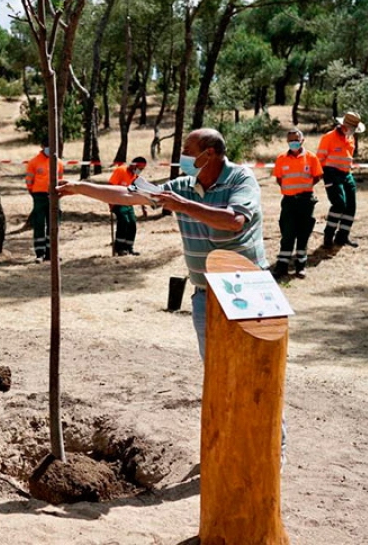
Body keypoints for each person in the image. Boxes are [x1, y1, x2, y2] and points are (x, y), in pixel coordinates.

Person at [58, 128, 285, 463]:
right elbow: (127, 195)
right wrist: (80, 188)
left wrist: (184, 206)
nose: (182, 155)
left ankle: (269, 445)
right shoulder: (181, 186)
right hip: (205, 295)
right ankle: (230, 444)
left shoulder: (240, 179)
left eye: (187, 149)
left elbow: (234, 221)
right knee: (218, 375)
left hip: (247, 291)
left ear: (209, 152)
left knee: (255, 371)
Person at [272, 128, 323, 279]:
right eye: (291, 140)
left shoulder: (311, 157)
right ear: (287, 142)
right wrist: (290, 191)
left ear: (302, 140)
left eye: (296, 140)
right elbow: (279, 178)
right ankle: (282, 267)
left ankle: (301, 266)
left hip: (306, 202)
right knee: (287, 234)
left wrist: (305, 188)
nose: (293, 143)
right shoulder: (281, 158)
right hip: (288, 202)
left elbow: (317, 176)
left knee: (303, 234)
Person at [317, 111, 364, 248]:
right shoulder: (328, 137)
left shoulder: (351, 138)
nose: (354, 131)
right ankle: (328, 236)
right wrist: (321, 176)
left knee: (351, 206)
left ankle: (342, 237)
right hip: (331, 173)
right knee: (339, 204)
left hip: (346, 174)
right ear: (344, 125)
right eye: (353, 128)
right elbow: (320, 158)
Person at [24, 142, 64, 263]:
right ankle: (40, 253)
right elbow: (29, 181)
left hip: (54, 196)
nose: (49, 148)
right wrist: (35, 193)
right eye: (47, 146)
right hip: (39, 196)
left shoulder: (59, 163)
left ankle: (51, 253)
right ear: (42, 146)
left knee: (54, 225)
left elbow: (61, 179)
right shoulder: (34, 162)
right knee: (39, 224)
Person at [108, 156, 147, 256]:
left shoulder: (134, 176)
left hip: (128, 203)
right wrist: (110, 203)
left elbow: (137, 190)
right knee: (124, 222)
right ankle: (119, 248)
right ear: (134, 165)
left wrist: (143, 206)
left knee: (132, 224)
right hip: (117, 202)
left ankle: (129, 247)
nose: (140, 171)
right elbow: (110, 186)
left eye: (142, 169)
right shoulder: (120, 170)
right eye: (140, 168)